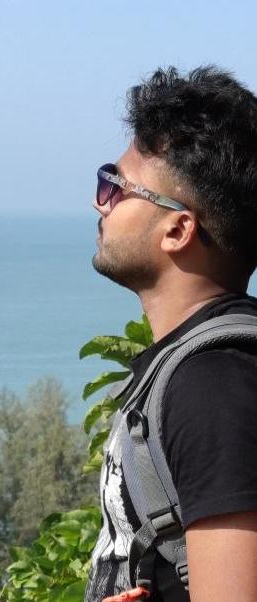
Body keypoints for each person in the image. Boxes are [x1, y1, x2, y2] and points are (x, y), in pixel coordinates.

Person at [85, 66, 257, 602]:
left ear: (178, 229)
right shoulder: (195, 371)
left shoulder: (213, 387)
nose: (100, 202)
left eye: (115, 186)